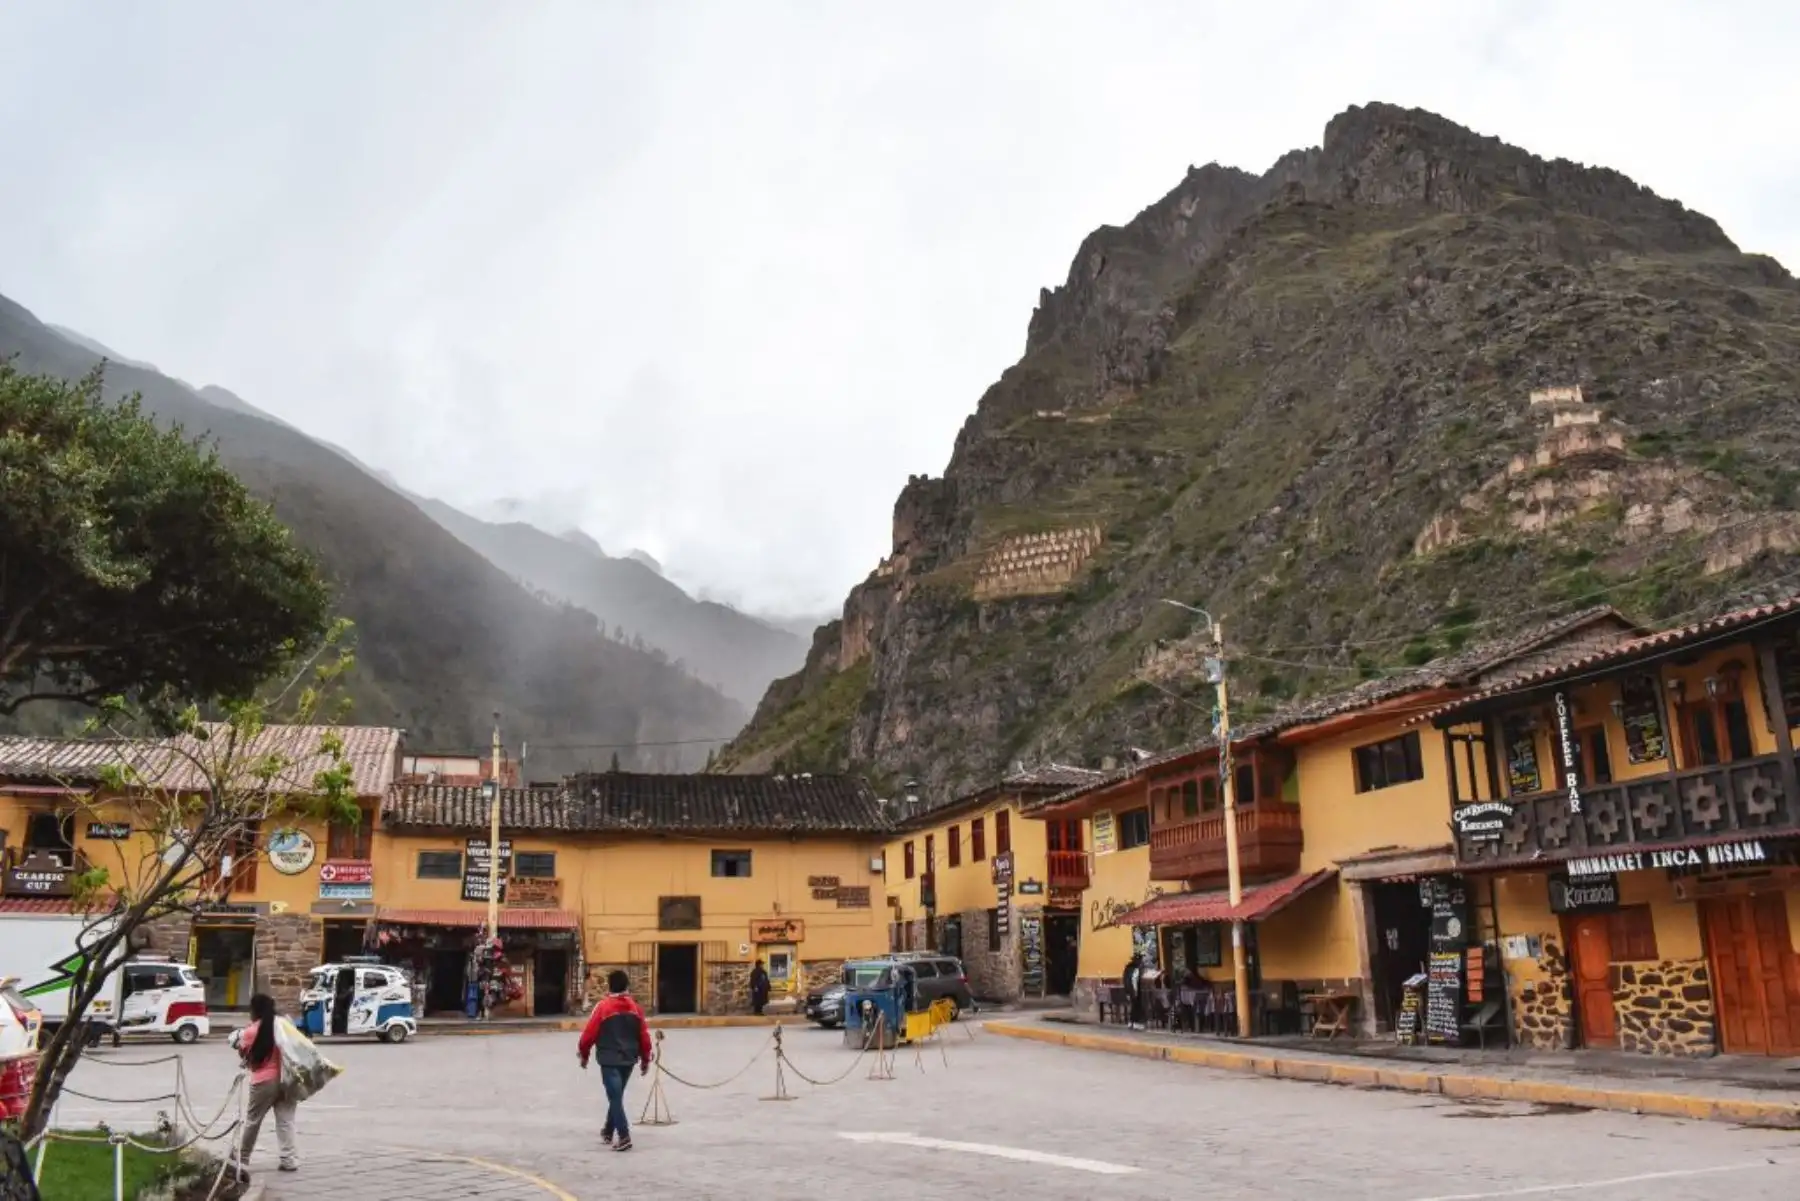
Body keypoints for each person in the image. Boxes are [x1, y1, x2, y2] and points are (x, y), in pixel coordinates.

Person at [577, 970, 653, 1152]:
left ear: (609, 986)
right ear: (627, 986)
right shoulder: (636, 1009)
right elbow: (644, 1036)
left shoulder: (603, 1007)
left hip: (609, 1059)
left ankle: (624, 1136)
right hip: (629, 1059)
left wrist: (584, 1055)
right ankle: (608, 1130)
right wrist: (645, 1060)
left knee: (615, 1097)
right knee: (616, 1096)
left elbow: (589, 1035)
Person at [230, 993, 297, 1175]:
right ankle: (289, 1159)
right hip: (288, 1078)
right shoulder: (284, 1024)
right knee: (286, 1120)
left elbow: (246, 1055)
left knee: (253, 1120)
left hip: (264, 1080)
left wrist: (238, 1043)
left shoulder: (252, 1031)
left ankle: (243, 1157)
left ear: (255, 1010)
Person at [1122, 953, 1145, 1030]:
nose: (1139, 961)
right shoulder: (1129, 968)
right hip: (1132, 989)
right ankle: (1135, 1022)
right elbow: (1126, 980)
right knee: (1135, 1006)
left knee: (1136, 1006)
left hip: (1138, 990)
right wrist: (1127, 992)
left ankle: (1133, 1022)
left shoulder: (1140, 968)